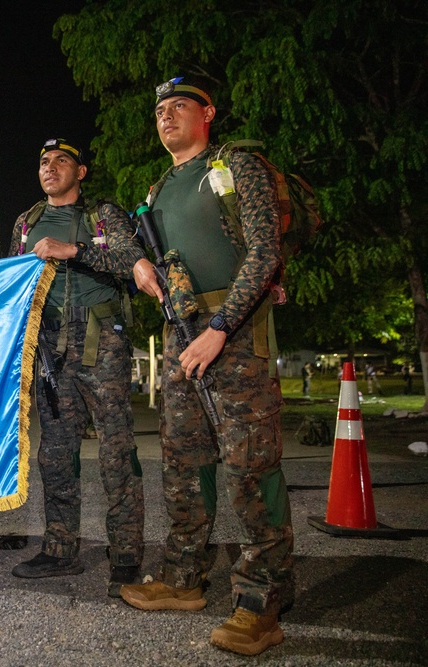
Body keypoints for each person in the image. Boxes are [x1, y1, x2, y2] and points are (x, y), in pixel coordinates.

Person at [122, 75, 294, 657]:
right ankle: (184, 576)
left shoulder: (235, 164)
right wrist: (141, 268)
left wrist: (221, 330)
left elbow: (266, 250)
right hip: (180, 331)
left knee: (249, 462)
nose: (166, 116)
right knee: (183, 459)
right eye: (160, 110)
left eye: (179, 107)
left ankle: (261, 601)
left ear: (208, 112)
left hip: (234, 331)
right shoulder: (161, 184)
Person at [7, 139, 145, 595]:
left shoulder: (102, 215)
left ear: (80, 172)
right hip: (49, 347)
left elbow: (130, 261)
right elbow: (12, 284)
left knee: (115, 449)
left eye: (61, 161)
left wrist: (75, 250)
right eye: (43, 161)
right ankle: (60, 546)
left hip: (102, 339)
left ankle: (125, 551)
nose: (50, 167)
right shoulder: (25, 223)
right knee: (56, 452)